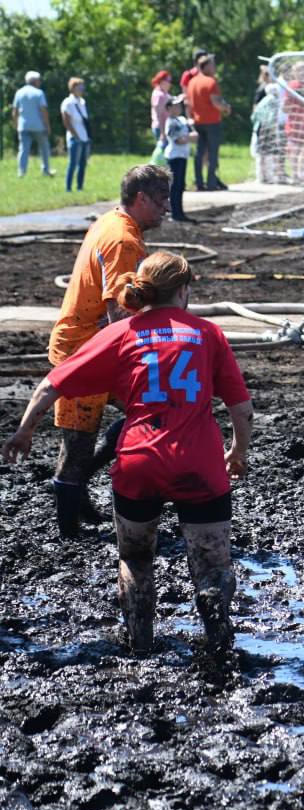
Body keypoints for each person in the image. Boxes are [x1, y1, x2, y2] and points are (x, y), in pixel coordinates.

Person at [2, 252, 253, 654]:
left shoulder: (123, 333)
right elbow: (242, 410)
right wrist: (237, 452)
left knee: (135, 559)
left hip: (141, 461)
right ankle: (216, 629)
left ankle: (140, 641)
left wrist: (24, 430)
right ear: (184, 290)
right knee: (213, 564)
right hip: (200, 462)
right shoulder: (207, 333)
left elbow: (51, 384)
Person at [41, 164, 170, 538]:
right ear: (141, 198)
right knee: (79, 442)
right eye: (161, 200)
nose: (167, 208)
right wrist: (146, 358)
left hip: (91, 344)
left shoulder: (113, 221)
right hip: (84, 352)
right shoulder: (123, 242)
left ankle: (79, 487)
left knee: (147, 409)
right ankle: (69, 529)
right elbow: (118, 313)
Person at [186, 54, 232, 191]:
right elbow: (216, 102)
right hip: (212, 122)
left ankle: (199, 183)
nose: (215, 67)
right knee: (212, 153)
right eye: (212, 65)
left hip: (197, 121)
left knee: (199, 153)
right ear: (205, 66)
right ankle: (212, 183)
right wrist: (226, 108)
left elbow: (188, 103)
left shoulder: (192, 82)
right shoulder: (210, 82)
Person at [12, 71, 53, 178]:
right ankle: (45, 170)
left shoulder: (19, 93)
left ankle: (21, 172)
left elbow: (15, 111)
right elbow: (43, 110)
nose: (40, 82)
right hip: (38, 126)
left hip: (23, 125)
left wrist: (16, 125)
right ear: (35, 81)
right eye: (39, 80)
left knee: (23, 149)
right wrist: (47, 125)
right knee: (44, 148)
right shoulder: (39, 93)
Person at [164, 95, 195, 222]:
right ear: (169, 108)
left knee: (181, 185)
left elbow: (194, 135)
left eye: (179, 105)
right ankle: (175, 213)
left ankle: (180, 212)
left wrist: (188, 136)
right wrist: (189, 137)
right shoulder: (170, 122)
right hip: (174, 156)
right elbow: (179, 140)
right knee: (176, 185)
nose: (178, 108)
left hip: (182, 156)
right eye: (175, 106)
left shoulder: (182, 120)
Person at [61, 77, 90, 193]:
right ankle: (68, 188)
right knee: (73, 164)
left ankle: (79, 187)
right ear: (73, 88)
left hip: (84, 137)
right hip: (75, 138)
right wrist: (75, 135)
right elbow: (66, 122)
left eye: (82, 87)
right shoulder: (67, 102)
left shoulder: (82, 102)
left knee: (83, 164)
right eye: (79, 87)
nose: (82, 89)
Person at [250, 82, 282, 184]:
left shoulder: (264, 101)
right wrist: (273, 129)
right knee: (268, 153)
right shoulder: (274, 101)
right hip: (268, 129)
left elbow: (254, 116)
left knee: (260, 153)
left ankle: (260, 176)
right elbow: (272, 117)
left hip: (259, 128)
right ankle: (268, 176)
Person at [149, 71, 172, 141]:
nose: (170, 83)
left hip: (166, 126)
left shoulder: (164, 93)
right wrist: (162, 133)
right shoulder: (158, 95)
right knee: (162, 151)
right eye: (168, 80)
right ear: (162, 81)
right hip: (160, 128)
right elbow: (159, 114)